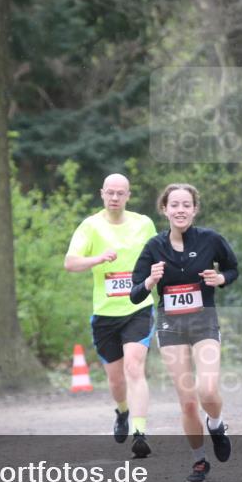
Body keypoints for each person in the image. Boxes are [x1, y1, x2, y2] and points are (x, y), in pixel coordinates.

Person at [130, 183, 238, 482]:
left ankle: (216, 425)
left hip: (204, 322)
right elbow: (135, 294)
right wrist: (150, 281)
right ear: (164, 209)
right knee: (188, 400)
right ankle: (199, 460)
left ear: (194, 209)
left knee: (207, 390)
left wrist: (221, 279)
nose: (180, 210)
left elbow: (232, 268)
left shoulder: (210, 240)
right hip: (171, 326)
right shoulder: (154, 247)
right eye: (174, 204)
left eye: (185, 205)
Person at [64, 174, 157, 459]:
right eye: (110, 193)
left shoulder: (144, 223)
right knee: (117, 381)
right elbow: (70, 263)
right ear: (102, 194)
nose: (115, 197)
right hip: (105, 314)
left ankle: (140, 432)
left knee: (134, 368)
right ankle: (123, 411)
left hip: (138, 308)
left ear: (128, 195)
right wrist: (98, 259)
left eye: (121, 193)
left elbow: (160, 255)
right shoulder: (90, 226)